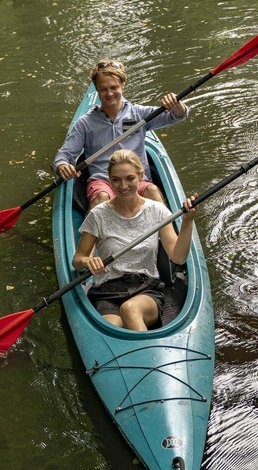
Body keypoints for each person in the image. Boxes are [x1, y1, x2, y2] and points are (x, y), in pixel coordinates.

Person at [73, 150, 196, 331]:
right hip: (107, 292)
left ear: (140, 176)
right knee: (112, 328)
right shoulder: (98, 214)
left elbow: (178, 257)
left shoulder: (157, 210)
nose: (123, 186)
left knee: (130, 310)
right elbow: (78, 260)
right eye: (116, 180)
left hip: (145, 289)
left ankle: (150, 357)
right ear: (109, 180)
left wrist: (188, 221)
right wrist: (87, 261)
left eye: (130, 178)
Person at [54, 58, 189, 208]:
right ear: (96, 89)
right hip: (103, 181)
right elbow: (63, 156)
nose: (109, 93)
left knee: (152, 191)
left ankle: (166, 230)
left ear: (122, 86)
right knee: (102, 198)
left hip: (137, 179)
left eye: (114, 87)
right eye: (103, 89)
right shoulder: (85, 123)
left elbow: (176, 116)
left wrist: (177, 105)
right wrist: (62, 166)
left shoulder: (138, 114)